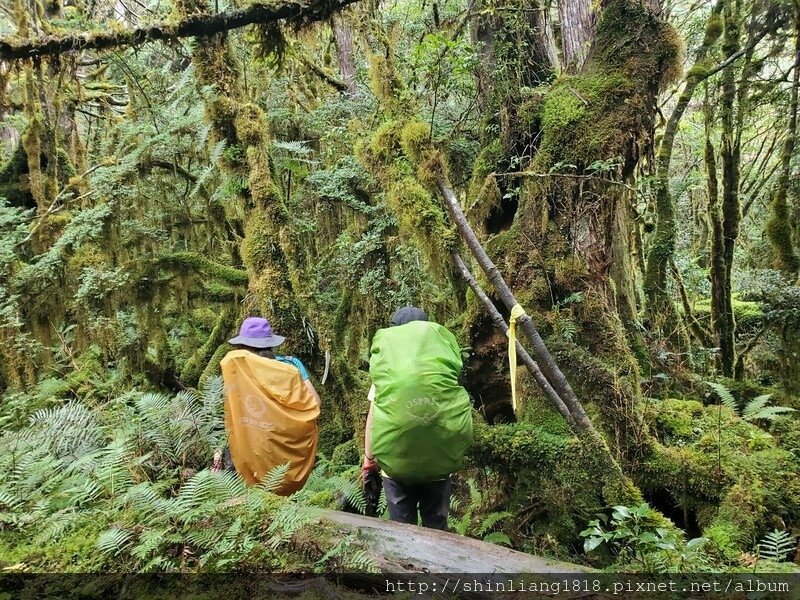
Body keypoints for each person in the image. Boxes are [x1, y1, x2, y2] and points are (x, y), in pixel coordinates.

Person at [362, 306, 473, 530]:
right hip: (439, 465)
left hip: (396, 465)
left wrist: (369, 460)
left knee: (403, 532)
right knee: (437, 528)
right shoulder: (440, 369)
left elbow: (374, 417)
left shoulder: (387, 373)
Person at [220, 316, 321, 494]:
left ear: (243, 345)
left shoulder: (236, 368)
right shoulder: (290, 365)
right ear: (271, 343)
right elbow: (315, 404)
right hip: (285, 443)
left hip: (251, 441)